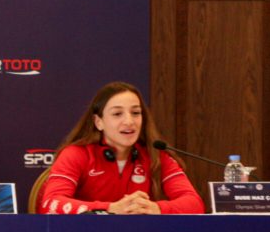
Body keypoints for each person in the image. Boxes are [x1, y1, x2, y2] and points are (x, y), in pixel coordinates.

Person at [38, 81, 203, 214]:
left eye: (136, 113)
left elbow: (195, 203)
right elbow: (50, 203)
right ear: (99, 122)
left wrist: (156, 208)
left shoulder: (156, 155)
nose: (129, 121)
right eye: (117, 114)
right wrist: (110, 209)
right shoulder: (76, 154)